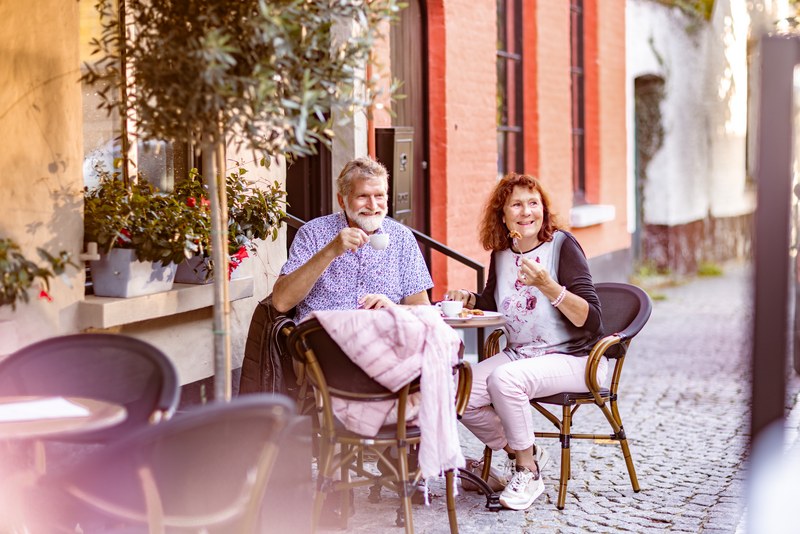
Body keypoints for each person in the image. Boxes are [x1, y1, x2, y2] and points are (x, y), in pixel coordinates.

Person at [444, 173, 605, 511]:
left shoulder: (562, 246)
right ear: (502, 215)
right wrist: (469, 300)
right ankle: (523, 449)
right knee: (454, 386)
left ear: (543, 210)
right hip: (521, 354)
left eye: (534, 203)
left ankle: (527, 471)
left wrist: (548, 286)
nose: (526, 211)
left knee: (506, 380)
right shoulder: (502, 253)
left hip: (575, 357)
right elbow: (493, 302)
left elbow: (592, 321)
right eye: (516, 204)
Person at [272, 156, 432, 320]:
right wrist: (331, 250)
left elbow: (422, 307)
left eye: (379, 196)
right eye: (362, 196)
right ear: (342, 200)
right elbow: (281, 302)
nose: (373, 206)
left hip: (382, 336)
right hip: (322, 338)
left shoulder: (401, 237)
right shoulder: (313, 233)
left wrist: (393, 308)